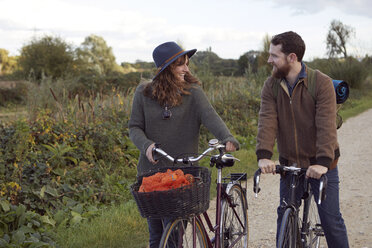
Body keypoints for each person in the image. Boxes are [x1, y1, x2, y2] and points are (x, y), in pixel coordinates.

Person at [129, 41, 239, 248]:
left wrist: (227, 138)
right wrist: (147, 145)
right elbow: (134, 127)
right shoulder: (143, 93)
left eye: (186, 63)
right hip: (151, 173)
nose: (186, 69)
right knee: (155, 236)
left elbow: (210, 117)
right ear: (166, 69)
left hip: (183, 175)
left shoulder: (193, 93)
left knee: (173, 238)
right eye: (180, 64)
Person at [255, 31, 349, 247]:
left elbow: (326, 125)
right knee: (285, 216)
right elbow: (267, 120)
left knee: (331, 221)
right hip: (291, 163)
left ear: (292, 57)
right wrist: (264, 155)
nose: (269, 60)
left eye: (274, 56)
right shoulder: (271, 86)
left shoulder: (321, 83)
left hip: (322, 163)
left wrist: (323, 162)